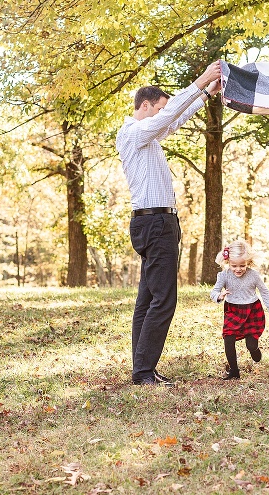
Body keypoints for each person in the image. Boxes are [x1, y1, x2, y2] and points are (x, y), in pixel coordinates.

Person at [116, 60, 222, 387]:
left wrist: (205, 94)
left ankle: (142, 367)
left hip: (158, 223)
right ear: (144, 105)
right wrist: (200, 80)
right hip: (155, 224)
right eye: (158, 109)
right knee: (164, 299)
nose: (163, 115)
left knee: (148, 299)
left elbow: (172, 120)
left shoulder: (148, 138)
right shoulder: (133, 132)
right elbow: (167, 116)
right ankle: (144, 371)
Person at [210, 240, 269, 380]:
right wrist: (219, 296)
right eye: (234, 266)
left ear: (248, 263)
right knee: (228, 337)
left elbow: (264, 292)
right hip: (233, 310)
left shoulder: (253, 275)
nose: (238, 269)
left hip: (252, 310)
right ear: (228, 263)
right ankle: (234, 371)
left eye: (242, 265)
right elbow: (213, 292)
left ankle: (255, 350)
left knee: (251, 344)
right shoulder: (224, 275)